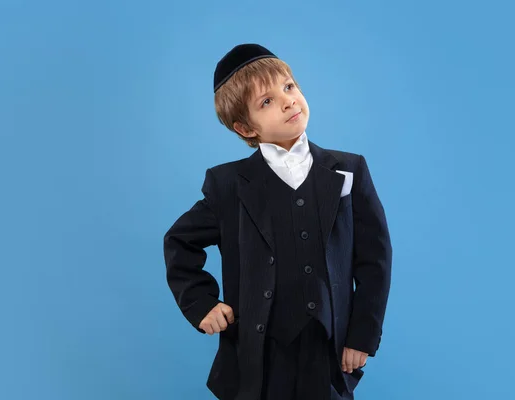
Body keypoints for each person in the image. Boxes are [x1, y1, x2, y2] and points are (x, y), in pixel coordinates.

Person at [163, 43, 392, 400]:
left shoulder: (349, 170)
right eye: (266, 101)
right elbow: (179, 241)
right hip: (260, 354)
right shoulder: (228, 185)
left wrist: (362, 336)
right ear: (245, 127)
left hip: (327, 348)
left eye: (288, 87)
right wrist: (200, 303)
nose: (288, 101)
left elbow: (375, 261)